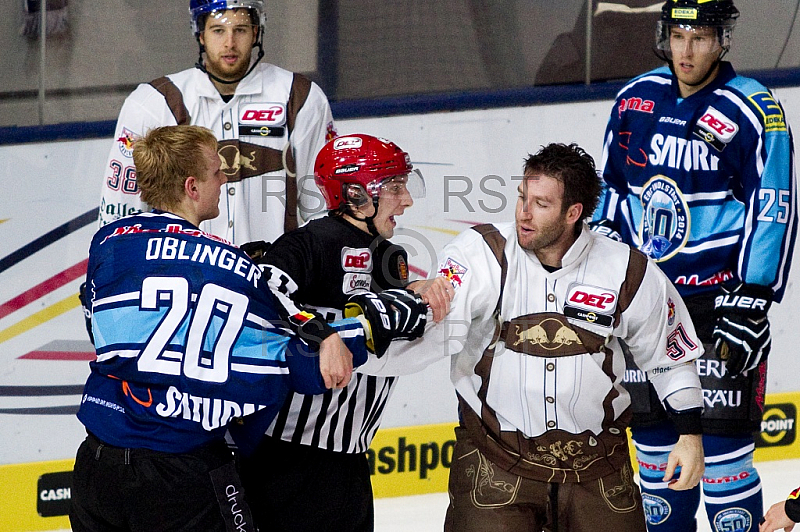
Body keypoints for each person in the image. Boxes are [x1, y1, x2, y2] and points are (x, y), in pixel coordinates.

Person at [69, 125, 426, 532]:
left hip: (96, 466)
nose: (225, 180)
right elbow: (297, 363)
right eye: (217, 172)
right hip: (180, 473)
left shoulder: (108, 242)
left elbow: (97, 324)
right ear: (192, 187)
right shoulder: (229, 267)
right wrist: (366, 326)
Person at [357, 142, 706, 532]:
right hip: (497, 463)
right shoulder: (482, 253)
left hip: (598, 469)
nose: (523, 213)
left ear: (573, 213)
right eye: (522, 197)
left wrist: (690, 433)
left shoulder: (627, 270)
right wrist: (354, 349)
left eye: (540, 204)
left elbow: (669, 356)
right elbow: (436, 333)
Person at [591, 0, 797, 530]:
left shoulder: (749, 108)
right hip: (648, 306)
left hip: (720, 309)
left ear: (723, 40)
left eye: (701, 37)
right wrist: (604, 263)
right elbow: (611, 190)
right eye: (678, 35)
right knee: (660, 466)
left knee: (724, 463)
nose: (687, 50)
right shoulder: (636, 99)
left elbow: (773, 202)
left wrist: (753, 298)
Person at [232, 134, 453, 531]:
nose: (406, 200)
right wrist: (323, 333)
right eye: (394, 187)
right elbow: (261, 299)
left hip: (348, 458)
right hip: (288, 458)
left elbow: (383, 325)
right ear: (355, 194)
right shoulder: (307, 244)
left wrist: (412, 292)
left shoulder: (389, 256)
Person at [99, 0, 336, 245]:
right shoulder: (152, 102)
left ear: (256, 31)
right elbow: (122, 211)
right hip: (186, 274)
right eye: (218, 30)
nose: (229, 43)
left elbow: (320, 204)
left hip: (277, 274)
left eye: (240, 29)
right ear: (200, 34)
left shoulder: (300, 96)